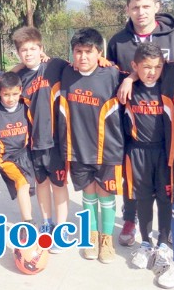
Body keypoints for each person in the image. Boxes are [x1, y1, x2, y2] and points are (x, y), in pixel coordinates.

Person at [107, 0, 174, 249]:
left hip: (168, 120)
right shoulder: (118, 41)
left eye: (146, 6)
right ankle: (130, 219)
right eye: (135, 7)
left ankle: (172, 227)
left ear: (157, 7)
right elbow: (112, 74)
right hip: (134, 118)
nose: (141, 12)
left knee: (169, 179)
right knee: (133, 178)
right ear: (128, 9)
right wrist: (128, 77)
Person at [59, 28, 125, 264]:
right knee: (88, 194)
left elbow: (142, 72)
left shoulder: (113, 74)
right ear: (72, 53)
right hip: (77, 150)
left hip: (107, 150)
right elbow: (39, 63)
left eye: (89, 52)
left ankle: (107, 240)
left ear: (100, 53)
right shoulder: (66, 73)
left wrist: (130, 78)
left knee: (106, 194)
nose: (83, 57)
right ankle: (91, 237)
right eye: (78, 51)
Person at [10, 27, 70, 253]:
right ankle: (46, 223)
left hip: (56, 140)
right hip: (33, 142)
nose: (28, 53)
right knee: (42, 184)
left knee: (59, 185)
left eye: (33, 49)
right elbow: (0, 82)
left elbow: (82, 67)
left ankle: (61, 228)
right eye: (23, 50)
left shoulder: (54, 66)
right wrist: (17, 68)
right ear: (18, 53)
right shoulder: (18, 78)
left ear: (41, 48)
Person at [120, 43, 172, 274]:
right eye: (146, 67)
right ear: (134, 66)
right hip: (137, 152)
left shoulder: (168, 86)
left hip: (164, 152)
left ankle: (162, 245)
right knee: (142, 199)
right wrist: (129, 79)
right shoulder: (126, 87)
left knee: (164, 198)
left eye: (157, 66)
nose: (152, 71)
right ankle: (144, 243)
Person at [0, 72, 35, 240]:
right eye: (6, 94)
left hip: (24, 153)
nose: (11, 98)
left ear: (21, 91)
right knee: (22, 184)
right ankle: (28, 224)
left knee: (27, 188)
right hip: (5, 158)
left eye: (15, 94)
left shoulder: (26, 105)